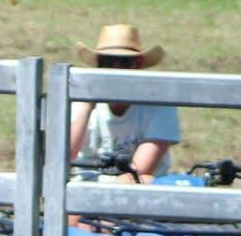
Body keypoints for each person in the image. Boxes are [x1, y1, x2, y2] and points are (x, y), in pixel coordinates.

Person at [67, 25, 178, 184]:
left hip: (138, 191)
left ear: (137, 64)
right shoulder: (81, 103)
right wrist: (87, 105)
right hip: (86, 187)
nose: (116, 69)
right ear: (98, 65)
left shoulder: (160, 104)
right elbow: (62, 159)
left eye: (124, 62)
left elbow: (138, 171)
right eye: (107, 62)